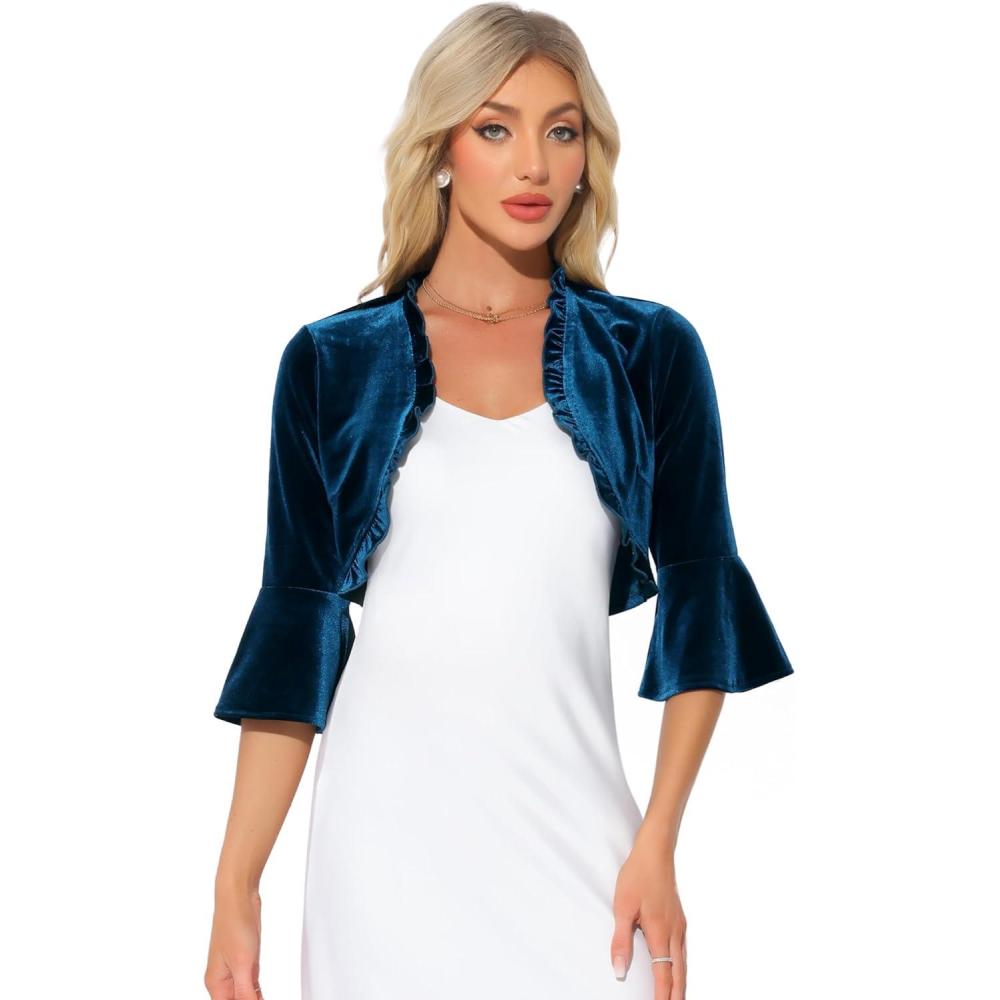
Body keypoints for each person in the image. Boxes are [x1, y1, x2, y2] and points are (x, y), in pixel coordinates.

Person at [204, 5, 794, 999]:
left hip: (583, 849)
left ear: (587, 157)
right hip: (381, 858)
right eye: (495, 127)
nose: (533, 164)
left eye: (561, 131)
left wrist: (658, 840)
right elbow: (297, 629)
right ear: (441, 148)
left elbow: (704, 600)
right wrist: (237, 882)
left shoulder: (647, 353)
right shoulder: (332, 363)